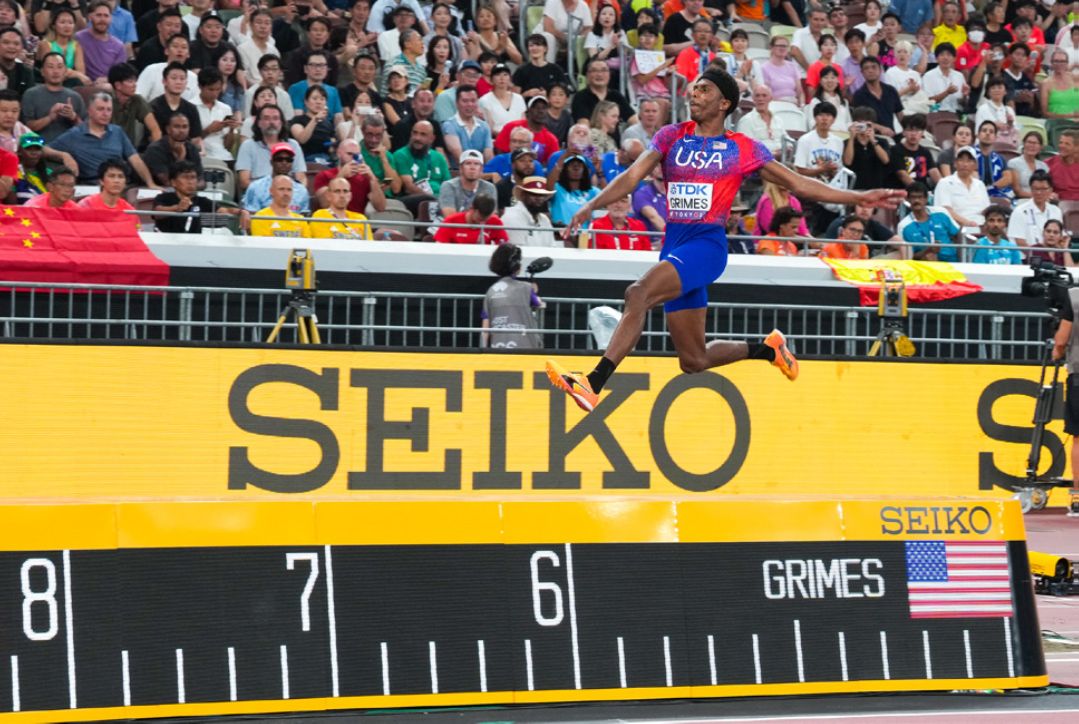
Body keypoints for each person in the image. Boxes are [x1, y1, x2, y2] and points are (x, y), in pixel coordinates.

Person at [545, 67, 905, 412]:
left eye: (704, 90)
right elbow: (631, 177)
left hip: (706, 247)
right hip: (674, 246)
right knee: (694, 360)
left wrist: (858, 196)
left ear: (724, 104)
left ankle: (593, 383)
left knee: (637, 294)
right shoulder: (671, 135)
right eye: (694, 88)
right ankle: (769, 349)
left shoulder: (742, 147)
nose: (694, 94)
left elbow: (798, 184)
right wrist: (590, 205)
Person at [49, 91, 158, 187]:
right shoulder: (75, 134)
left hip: (117, 184)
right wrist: (64, 155)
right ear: (89, 111)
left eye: (109, 110)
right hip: (90, 186)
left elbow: (135, 160)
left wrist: (150, 183)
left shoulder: (117, 131)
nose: (105, 114)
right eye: (100, 109)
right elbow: (44, 149)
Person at [481, 242, 543, 349]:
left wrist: (483, 350)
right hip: (525, 345)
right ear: (516, 265)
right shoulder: (526, 287)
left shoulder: (491, 291)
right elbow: (538, 303)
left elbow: (485, 327)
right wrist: (535, 293)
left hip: (498, 347)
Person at [235, 104, 307, 192]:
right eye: (266, 118)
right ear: (259, 123)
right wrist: (271, 192)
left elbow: (301, 178)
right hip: (259, 193)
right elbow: (244, 181)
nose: (271, 122)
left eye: (275, 118)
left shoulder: (293, 145)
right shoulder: (248, 146)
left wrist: (297, 192)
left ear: (281, 123)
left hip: (288, 193)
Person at [390, 120, 450, 217]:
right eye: (415, 133)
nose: (417, 138)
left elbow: (447, 185)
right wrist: (434, 199)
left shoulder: (438, 157)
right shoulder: (401, 155)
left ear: (432, 138)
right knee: (428, 201)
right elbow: (409, 188)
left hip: (439, 200)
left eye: (423, 134)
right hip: (413, 199)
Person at [21, 53, 84, 144]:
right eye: (50, 67)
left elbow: (85, 130)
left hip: (69, 147)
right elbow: (26, 128)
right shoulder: (30, 94)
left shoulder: (75, 97)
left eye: (60, 67)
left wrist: (73, 117)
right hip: (38, 146)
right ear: (42, 71)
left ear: (65, 71)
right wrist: (50, 118)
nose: (55, 71)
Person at [312, 138, 385, 213]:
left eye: (357, 155)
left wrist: (372, 178)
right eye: (349, 154)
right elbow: (324, 204)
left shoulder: (364, 178)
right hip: (332, 218)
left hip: (356, 219)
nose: (353, 158)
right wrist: (341, 175)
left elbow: (380, 207)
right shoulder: (324, 175)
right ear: (338, 154)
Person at [898, 181, 962, 262]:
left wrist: (961, 258)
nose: (917, 200)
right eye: (913, 197)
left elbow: (958, 235)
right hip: (925, 266)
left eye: (920, 197)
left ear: (926, 198)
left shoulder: (941, 212)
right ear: (907, 199)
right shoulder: (903, 226)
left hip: (953, 263)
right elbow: (907, 257)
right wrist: (928, 251)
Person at [935, 145, 991, 235]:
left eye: (969, 161)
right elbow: (945, 211)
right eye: (961, 160)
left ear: (975, 165)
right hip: (958, 228)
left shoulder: (980, 184)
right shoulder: (945, 183)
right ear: (955, 163)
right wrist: (968, 223)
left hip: (982, 228)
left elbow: (987, 210)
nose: (965, 164)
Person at [242, 142, 310, 213]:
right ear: (271, 162)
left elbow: (304, 217)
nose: (284, 162)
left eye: (288, 160)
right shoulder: (256, 187)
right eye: (279, 159)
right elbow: (251, 215)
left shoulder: (301, 190)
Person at [141, 111, 202, 186]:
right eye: (177, 127)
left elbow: (201, 181)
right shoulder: (155, 150)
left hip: (187, 191)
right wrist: (181, 157)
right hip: (157, 190)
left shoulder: (192, 149)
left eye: (185, 127)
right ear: (168, 129)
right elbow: (167, 182)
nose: (181, 131)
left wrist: (191, 185)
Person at [1009, 170, 1063, 251]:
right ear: (1031, 189)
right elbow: (1019, 242)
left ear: (1051, 190)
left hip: (1052, 255)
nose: (1039, 193)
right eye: (1035, 189)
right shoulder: (1020, 211)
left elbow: (1059, 239)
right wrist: (1039, 255)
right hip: (1027, 257)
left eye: (1043, 189)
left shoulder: (1056, 211)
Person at [502, 175, 559, 247]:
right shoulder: (512, 217)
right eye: (534, 194)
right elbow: (517, 251)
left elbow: (552, 248)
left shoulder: (544, 220)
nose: (539, 198)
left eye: (541, 195)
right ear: (523, 195)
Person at [852, 57, 903, 137]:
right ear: (862, 72)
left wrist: (908, 129)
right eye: (866, 68)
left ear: (880, 70)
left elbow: (900, 114)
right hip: (870, 137)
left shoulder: (891, 90)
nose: (870, 71)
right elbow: (859, 123)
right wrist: (880, 128)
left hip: (891, 136)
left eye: (874, 67)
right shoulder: (859, 95)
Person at [439, 148, 497, 217]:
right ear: (461, 168)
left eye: (476, 164)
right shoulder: (448, 186)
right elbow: (450, 217)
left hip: (479, 224)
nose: (472, 167)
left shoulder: (489, 188)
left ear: (481, 169)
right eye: (468, 163)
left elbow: (491, 216)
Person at [844, 108, 893, 189]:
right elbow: (847, 162)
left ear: (873, 125)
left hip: (876, 187)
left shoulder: (882, 142)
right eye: (860, 123)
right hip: (854, 188)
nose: (863, 126)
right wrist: (852, 137)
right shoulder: (848, 142)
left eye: (867, 124)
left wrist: (872, 140)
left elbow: (885, 160)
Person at [78, 1, 125, 84]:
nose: (102, 19)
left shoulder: (119, 46)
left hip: (109, 86)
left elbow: (119, 74)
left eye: (106, 16)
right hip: (82, 85)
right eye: (98, 15)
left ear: (111, 19)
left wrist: (108, 79)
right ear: (90, 17)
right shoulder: (78, 38)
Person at [434, 193, 507, 244]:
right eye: (479, 219)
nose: (482, 223)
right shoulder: (451, 221)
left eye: (485, 220)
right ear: (472, 209)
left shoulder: (495, 222)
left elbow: (503, 245)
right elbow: (439, 246)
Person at [891, 113, 940, 189]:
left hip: (924, 192)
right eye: (910, 130)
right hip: (903, 191)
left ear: (922, 133)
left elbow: (934, 172)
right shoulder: (896, 150)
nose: (913, 134)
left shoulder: (925, 152)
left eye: (917, 130)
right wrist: (920, 191)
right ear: (903, 132)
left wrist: (944, 187)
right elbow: (902, 175)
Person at [512, 33, 569, 98]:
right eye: (531, 45)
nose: (534, 48)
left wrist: (548, 95)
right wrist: (527, 94)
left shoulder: (556, 70)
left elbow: (564, 94)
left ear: (545, 49)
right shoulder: (521, 70)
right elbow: (514, 98)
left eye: (538, 45)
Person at [735, 85, 785, 155]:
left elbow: (788, 142)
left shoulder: (778, 120)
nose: (760, 99)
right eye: (757, 96)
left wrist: (787, 148)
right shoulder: (746, 121)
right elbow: (746, 149)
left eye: (764, 95)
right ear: (753, 99)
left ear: (771, 98)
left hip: (783, 157)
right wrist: (772, 155)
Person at [922, 43, 968, 114]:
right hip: (935, 114)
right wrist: (947, 92)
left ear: (954, 59)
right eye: (942, 55)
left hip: (956, 113)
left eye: (949, 55)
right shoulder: (928, 76)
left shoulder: (959, 76)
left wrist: (965, 96)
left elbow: (962, 104)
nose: (945, 58)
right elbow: (928, 101)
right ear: (936, 59)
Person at [761, 34, 803, 106]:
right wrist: (786, 103)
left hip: (794, 103)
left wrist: (802, 104)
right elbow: (767, 95)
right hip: (776, 105)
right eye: (779, 46)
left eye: (785, 46)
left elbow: (800, 92)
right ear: (772, 47)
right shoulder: (764, 68)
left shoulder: (792, 66)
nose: (782, 48)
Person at [1048, 129, 1079, 201]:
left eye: (1067, 144)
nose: (1062, 146)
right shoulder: (1050, 163)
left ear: (1077, 147)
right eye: (1061, 142)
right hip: (1059, 203)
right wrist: (1050, 193)